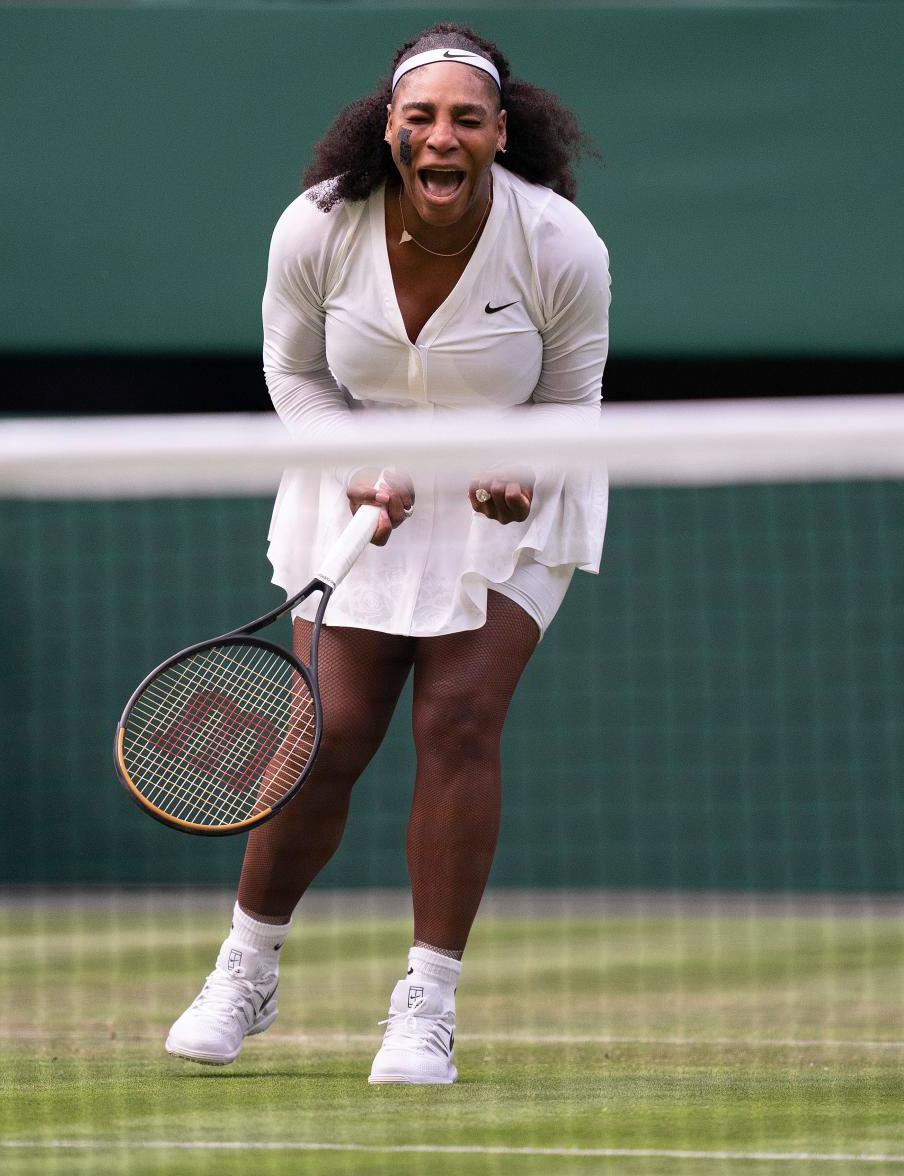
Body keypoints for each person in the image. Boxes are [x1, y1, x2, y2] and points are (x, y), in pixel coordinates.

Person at [165, 20, 610, 1085]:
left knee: (458, 719)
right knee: (329, 734)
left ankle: (426, 1006)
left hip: (513, 491)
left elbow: (573, 401)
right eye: (422, 117)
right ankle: (246, 968)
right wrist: (353, 466)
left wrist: (524, 475)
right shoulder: (317, 228)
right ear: (390, 126)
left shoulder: (558, 244)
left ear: (501, 132)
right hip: (359, 481)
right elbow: (295, 375)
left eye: (466, 118)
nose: (442, 137)